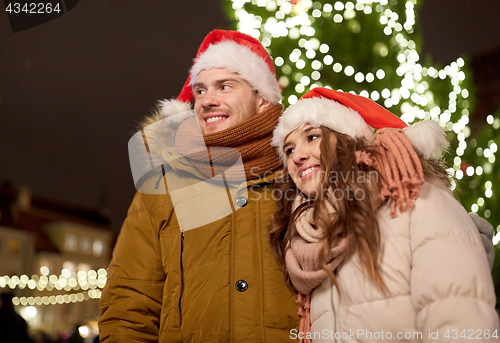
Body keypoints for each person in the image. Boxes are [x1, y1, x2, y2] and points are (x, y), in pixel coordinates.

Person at [99, 29, 300, 342]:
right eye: (201, 91)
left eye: (224, 86)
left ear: (263, 100)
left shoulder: (303, 173)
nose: (207, 100)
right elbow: (129, 304)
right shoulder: (162, 188)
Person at [269, 87, 499, 342]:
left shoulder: (416, 204)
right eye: (288, 150)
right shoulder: (306, 241)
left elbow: (460, 322)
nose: (297, 157)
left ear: (348, 139)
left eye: (312, 137)